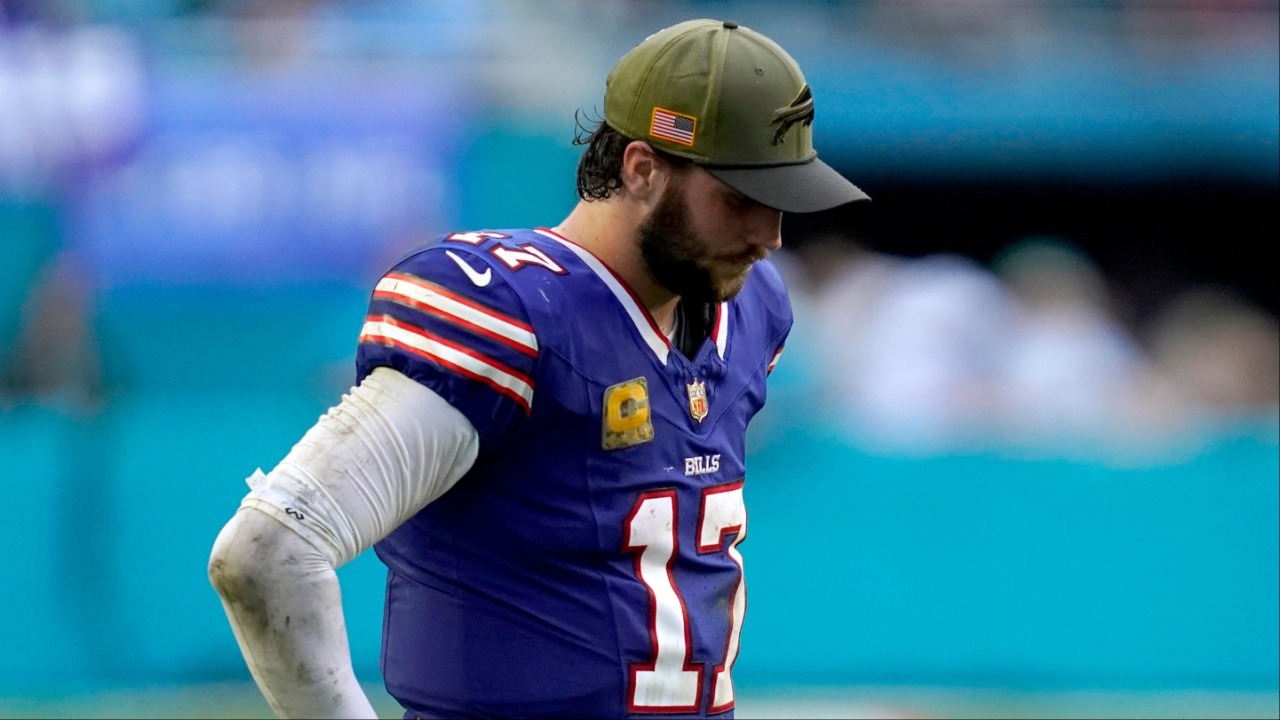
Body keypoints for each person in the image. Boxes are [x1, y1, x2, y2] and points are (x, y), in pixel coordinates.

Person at [209, 18, 868, 719]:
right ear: (640, 169)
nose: (767, 238)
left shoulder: (749, 308)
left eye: (779, 206)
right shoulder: (513, 313)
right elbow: (266, 552)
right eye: (738, 200)